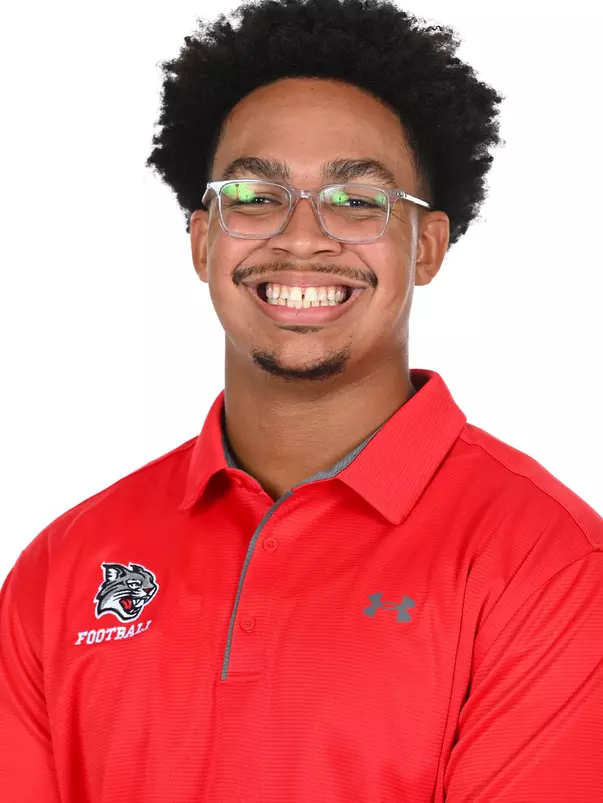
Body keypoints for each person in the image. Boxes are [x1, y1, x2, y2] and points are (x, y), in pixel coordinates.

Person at [1, 0, 602, 800]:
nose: (302, 237)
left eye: (357, 202)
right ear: (203, 239)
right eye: (254, 196)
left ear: (425, 247)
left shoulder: (549, 564)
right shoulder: (62, 566)